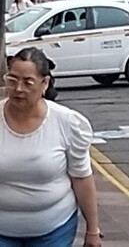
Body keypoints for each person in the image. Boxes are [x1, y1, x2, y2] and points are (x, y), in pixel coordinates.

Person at [0, 47, 101, 246]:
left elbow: (81, 177)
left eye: (28, 82)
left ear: (44, 83)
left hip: (54, 230)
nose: (18, 89)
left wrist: (92, 229)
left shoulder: (67, 122)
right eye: (12, 80)